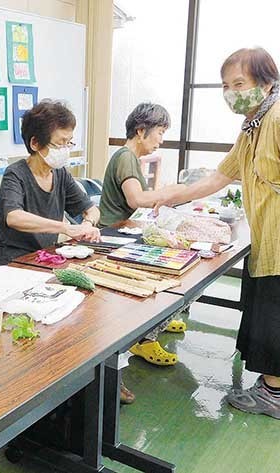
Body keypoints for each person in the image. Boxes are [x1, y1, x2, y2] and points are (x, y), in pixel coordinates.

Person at [155, 47, 280, 420]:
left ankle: (274, 393)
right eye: (226, 85)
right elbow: (218, 178)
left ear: (267, 83)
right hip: (275, 239)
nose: (231, 92)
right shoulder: (253, 126)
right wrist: (167, 196)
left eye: (239, 83)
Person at [99, 103, 188, 404]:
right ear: (141, 130)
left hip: (119, 233)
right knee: (163, 276)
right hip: (112, 238)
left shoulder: (129, 158)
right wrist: (170, 193)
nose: (161, 140)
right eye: (159, 132)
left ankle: (150, 331)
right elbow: (136, 198)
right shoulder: (126, 157)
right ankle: (143, 338)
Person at [0, 100, 101, 266]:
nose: (65, 150)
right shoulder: (15, 174)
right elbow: (14, 217)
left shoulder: (60, 173)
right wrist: (65, 228)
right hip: (15, 261)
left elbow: (92, 210)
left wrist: (87, 225)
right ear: (35, 143)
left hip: (46, 256)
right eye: (60, 143)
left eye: (69, 143)